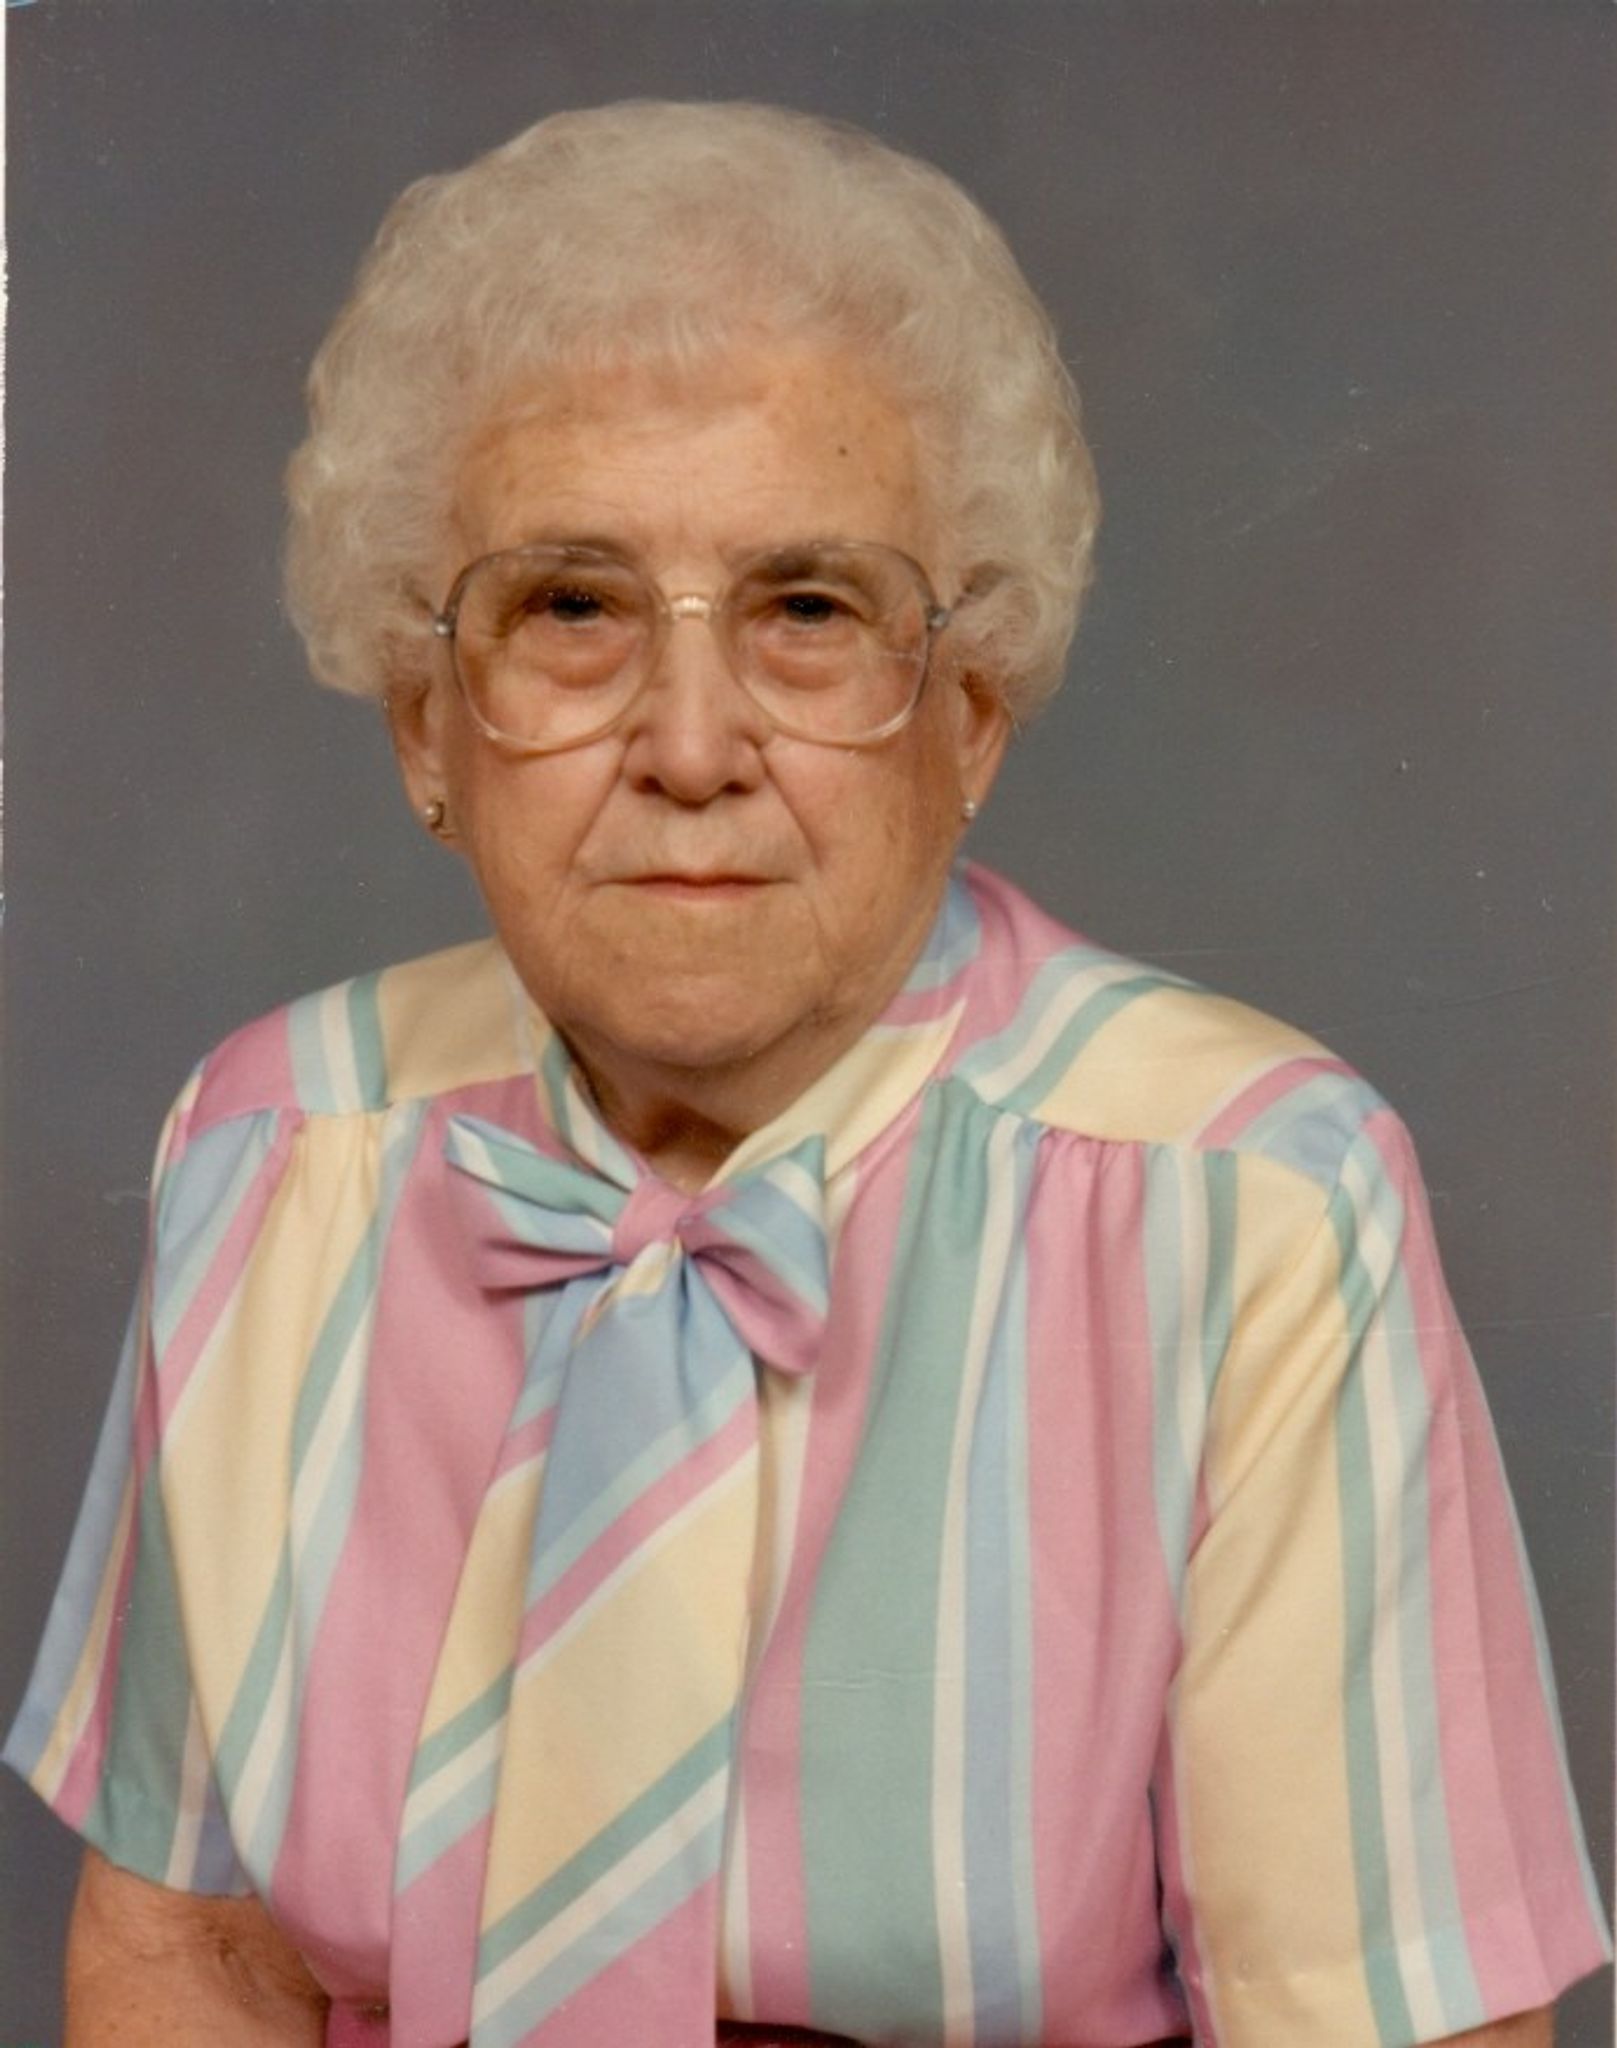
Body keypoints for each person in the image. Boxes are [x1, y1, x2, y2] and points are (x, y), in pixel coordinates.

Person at [5, 101, 1606, 2048]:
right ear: (427, 720)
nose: (690, 746)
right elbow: (197, 1953)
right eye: (571, 606)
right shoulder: (267, 1148)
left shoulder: (1252, 1203)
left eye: (806, 611)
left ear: (968, 713)